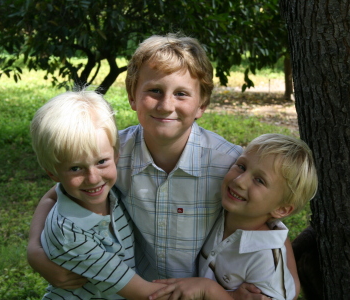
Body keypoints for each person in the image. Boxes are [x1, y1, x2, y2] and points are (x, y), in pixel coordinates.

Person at [27, 34, 298, 299]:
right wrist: (35, 252)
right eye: (154, 91)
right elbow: (56, 193)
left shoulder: (228, 164)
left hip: (197, 291)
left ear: (201, 104)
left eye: (181, 94)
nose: (167, 105)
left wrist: (291, 280)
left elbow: (267, 216)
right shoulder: (110, 156)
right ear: (133, 96)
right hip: (136, 285)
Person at [30, 90, 174, 299]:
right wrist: (210, 291)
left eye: (101, 162)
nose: (93, 178)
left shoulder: (107, 189)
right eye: (75, 168)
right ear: (53, 173)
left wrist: (33, 248)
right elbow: (144, 294)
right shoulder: (71, 233)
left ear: (116, 155)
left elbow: (51, 196)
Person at [149, 133, 318, 300]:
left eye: (259, 180)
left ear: (281, 209)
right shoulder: (219, 211)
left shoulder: (264, 257)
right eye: (242, 166)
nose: (240, 181)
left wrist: (208, 290)